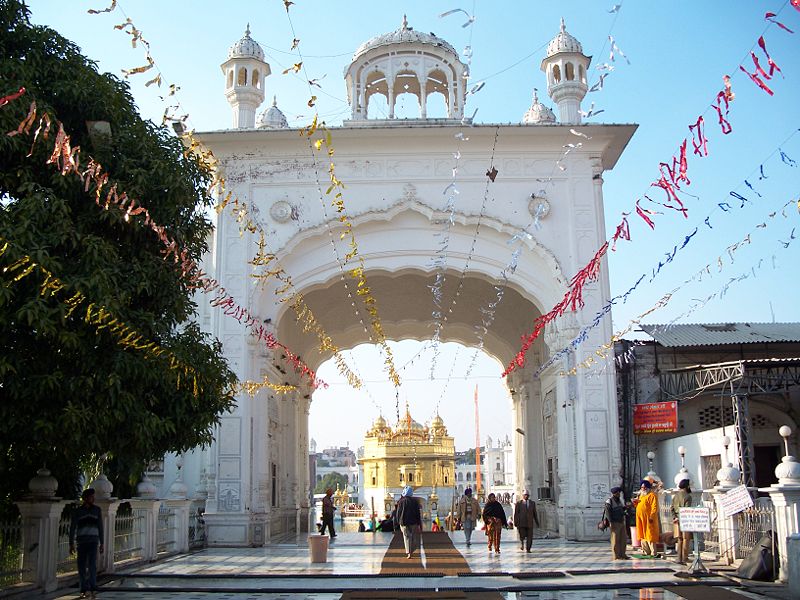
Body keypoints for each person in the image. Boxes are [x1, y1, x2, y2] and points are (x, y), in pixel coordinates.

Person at [69, 488, 104, 599]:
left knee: (92, 565)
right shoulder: (78, 511)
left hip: (93, 542)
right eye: (91, 497)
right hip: (82, 542)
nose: (93, 499)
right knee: (82, 566)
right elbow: (73, 527)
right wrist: (71, 543)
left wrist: (102, 542)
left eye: (93, 497)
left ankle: (93, 587)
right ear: (85, 498)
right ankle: (83, 588)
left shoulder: (97, 510)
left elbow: (100, 527)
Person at [635, 479, 661, 557]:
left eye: (645, 487)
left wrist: (651, 516)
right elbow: (639, 505)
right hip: (640, 519)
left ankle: (653, 552)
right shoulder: (641, 495)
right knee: (642, 534)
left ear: (648, 488)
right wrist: (635, 503)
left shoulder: (652, 495)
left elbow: (654, 507)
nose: (643, 489)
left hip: (649, 519)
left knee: (650, 535)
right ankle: (646, 551)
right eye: (642, 487)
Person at [395, 485, 422, 559]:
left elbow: (398, 512)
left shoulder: (401, 501)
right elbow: (418, 513)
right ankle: (411, 550)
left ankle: (409, 552)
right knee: (412, 536)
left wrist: (398, 521)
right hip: (413, 522)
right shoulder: (415, 501)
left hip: (403, 522)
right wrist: (419, 522)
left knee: (406, 536)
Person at [603, 486, 630, 560]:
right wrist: (611, 522)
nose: (618, 494)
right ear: (614, 493)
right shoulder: (609, 501)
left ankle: (622, 554)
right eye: (617, 493)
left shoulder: (620, 500)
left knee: (623, 539)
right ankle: (616, 555)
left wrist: (626, 507)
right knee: (615, 539)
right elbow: (608, 513)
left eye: (619, 492)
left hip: (621, 521)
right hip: (614, 522)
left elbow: (621, 509)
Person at [671, 479, 693, 565]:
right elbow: (686, 510)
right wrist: (680, 518)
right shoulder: (688, 496)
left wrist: (675, 517)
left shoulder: (675, 496)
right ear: (687, 486)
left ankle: (679, 558)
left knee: (679, 539)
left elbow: (672, 508)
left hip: (676, 519)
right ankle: (685, 558)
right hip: (685, 519)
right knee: (686, 539)